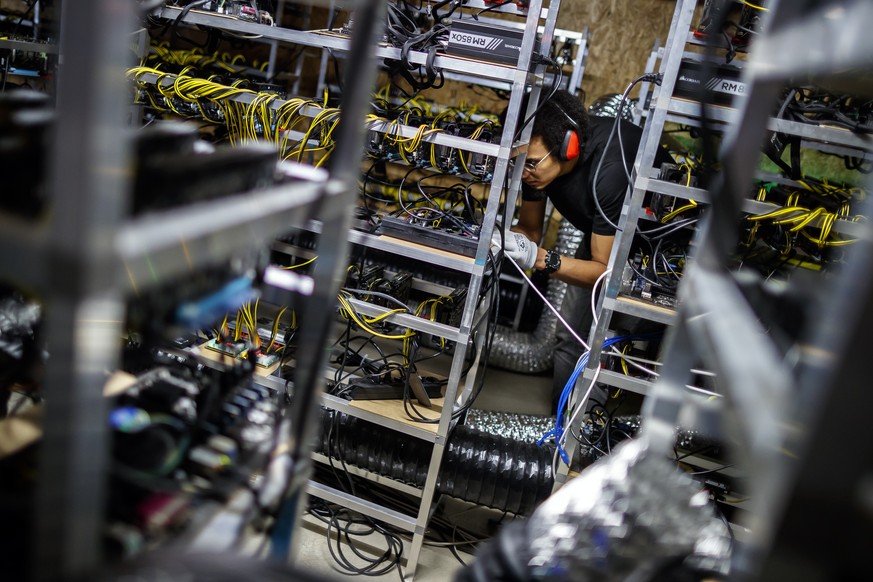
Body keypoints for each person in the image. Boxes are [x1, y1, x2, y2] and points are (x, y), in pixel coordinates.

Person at [498, 90, 672, 410]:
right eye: (517, 163)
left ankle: (596, 439)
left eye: (531, 163)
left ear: (569, 146)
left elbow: (604, 271)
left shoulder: (610, 169)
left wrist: (538, 257)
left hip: (660, 249)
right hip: (600, 237)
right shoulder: (535, 166)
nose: (523, 173)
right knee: (569, 339)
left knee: (618, 344)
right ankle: (560, 430)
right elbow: (531, 229)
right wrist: (505, 239)